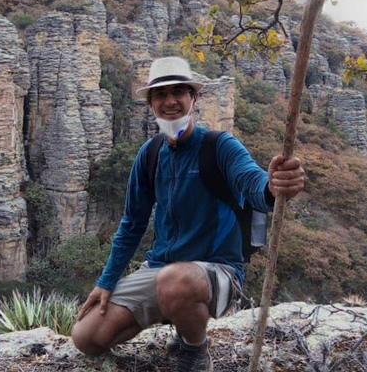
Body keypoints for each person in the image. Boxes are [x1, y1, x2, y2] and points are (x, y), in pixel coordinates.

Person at [72, 56, 305, 371]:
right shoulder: (150, 154)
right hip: (160, 271)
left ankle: (194, 349)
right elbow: (132, 224)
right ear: (151, 103)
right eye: (160, 95)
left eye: (178, 92)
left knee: (175, 280)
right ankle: (176, 318)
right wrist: (107, 281)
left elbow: (254, 186)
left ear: (194, 98)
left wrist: (275, 186)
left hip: (216, 273)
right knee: (86, 338)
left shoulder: (220, 146)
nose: (170, 101)